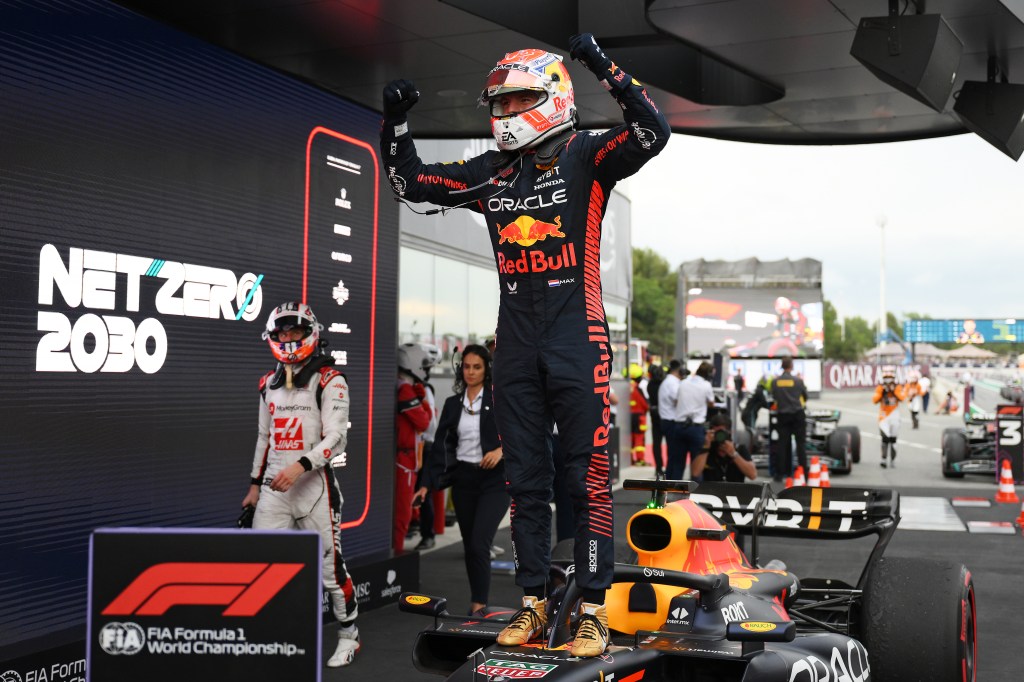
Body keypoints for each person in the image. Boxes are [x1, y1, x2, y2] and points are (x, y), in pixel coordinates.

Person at [380, 33, 669, 657]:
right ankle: (535, 603)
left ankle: (592, 609)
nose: (504, 116)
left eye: (517, 103)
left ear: (553, 97)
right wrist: (396, 124)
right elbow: (411, 183)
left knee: (587, 479)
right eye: (499, 105)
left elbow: (652, 130)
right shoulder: (490, 172)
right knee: (526, 480)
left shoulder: (589, 154)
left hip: (578, 338)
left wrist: (599, 64)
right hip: (513, 344)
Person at [241, 302, 359, 668]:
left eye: (295, 331)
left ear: (311, 333)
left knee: (330, 570)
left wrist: (301, 465)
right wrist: (254, 485)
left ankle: (349, 636)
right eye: (282, 333)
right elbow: (264, 438)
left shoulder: (329, 379)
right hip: (274, 489)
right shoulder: (267, 384)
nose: (288, 339)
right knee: (263, 567)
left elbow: (337, 439)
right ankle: (272, 638)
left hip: (314, 490)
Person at [414, 345, 508, 616]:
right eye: (466, 366)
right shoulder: (453, 404)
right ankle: (477, 598)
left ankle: (478, 605)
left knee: (480, 542)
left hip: (495, 481)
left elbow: (521, 433)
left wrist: (501, 451)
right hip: (464, 481)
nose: (470, 372)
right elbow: (442, 445)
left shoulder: (498, 399)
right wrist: (425, 485)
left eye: (477, 367)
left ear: (486, 369)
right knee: (471, 545)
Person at [394, 344, 435, 554]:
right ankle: (396, 558)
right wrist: (422, 401)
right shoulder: (406, 389)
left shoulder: (399, 385)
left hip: (402, 457)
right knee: (401, 516)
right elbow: (425, 423)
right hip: (403, 459)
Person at [410, 343, 443, 551]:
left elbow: (429, 423)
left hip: (425, 447)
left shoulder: (424, 389)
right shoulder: (412, 386)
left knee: (423, 492)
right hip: (414, 447)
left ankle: (427, 534)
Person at [672, 361, 716, 481]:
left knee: (677, 464)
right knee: (697, 465)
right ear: (708, 374)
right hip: (696, 428)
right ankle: (696, 497)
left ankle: (672, 496)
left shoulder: (683, 382)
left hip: (680, 426)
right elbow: (711, 403)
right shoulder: (706, 385)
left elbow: (676, 401)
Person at [771, 357, 807, 482]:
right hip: (797, 414)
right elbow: (805, 396)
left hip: (783, 415)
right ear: (791, 366)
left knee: (782, 444)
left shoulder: (775, 382)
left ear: (782, 366)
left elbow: (774, 397)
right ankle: (804, 473)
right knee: (800, 444)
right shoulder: (798, 381)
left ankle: (780, 473)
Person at [691, 414, 757, 482]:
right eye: (715, 433)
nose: (718, 436)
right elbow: (695, 473)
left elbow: (753, 475)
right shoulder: (707, 450)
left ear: (729, 432)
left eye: (721, 432)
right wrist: (706, 446)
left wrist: (733, 454)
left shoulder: (740, 449)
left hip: (735, 491)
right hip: (712, 491)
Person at [873, 367, 905, 468]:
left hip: (895, 416)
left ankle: (892, 460)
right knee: (885, 438)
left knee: (893, 440)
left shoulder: (898, 387)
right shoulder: (880, 387)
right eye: (886, 377)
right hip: (884, 416)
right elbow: (874, 400)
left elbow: (902, 398)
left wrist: (893, 391)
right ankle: (883, 459)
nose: (888, 380)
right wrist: (883, 392)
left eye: (890, 377)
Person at [658, 360, 685, 480]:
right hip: (671, 422)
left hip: (667, 421)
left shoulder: (669, 381)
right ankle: (671, 481)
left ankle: (669, 480)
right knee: (675, 454)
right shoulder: (672, 383)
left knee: (673, 454)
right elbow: (677, 399)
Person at [646, 363, 666, 477]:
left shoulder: (650, 385)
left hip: (655, 416)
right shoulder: (663, 384)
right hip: (664, 416)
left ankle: (658, 467)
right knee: (664, 443)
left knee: (657, 443)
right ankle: (661, 467)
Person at [628, 363, 649, 465]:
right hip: (639, 416)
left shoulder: (625, 387)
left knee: (630, 438)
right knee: (639, 438)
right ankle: (640, 460)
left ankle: (630, 459)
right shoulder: (638, 388)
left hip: (628, 417)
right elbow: (645, 403)